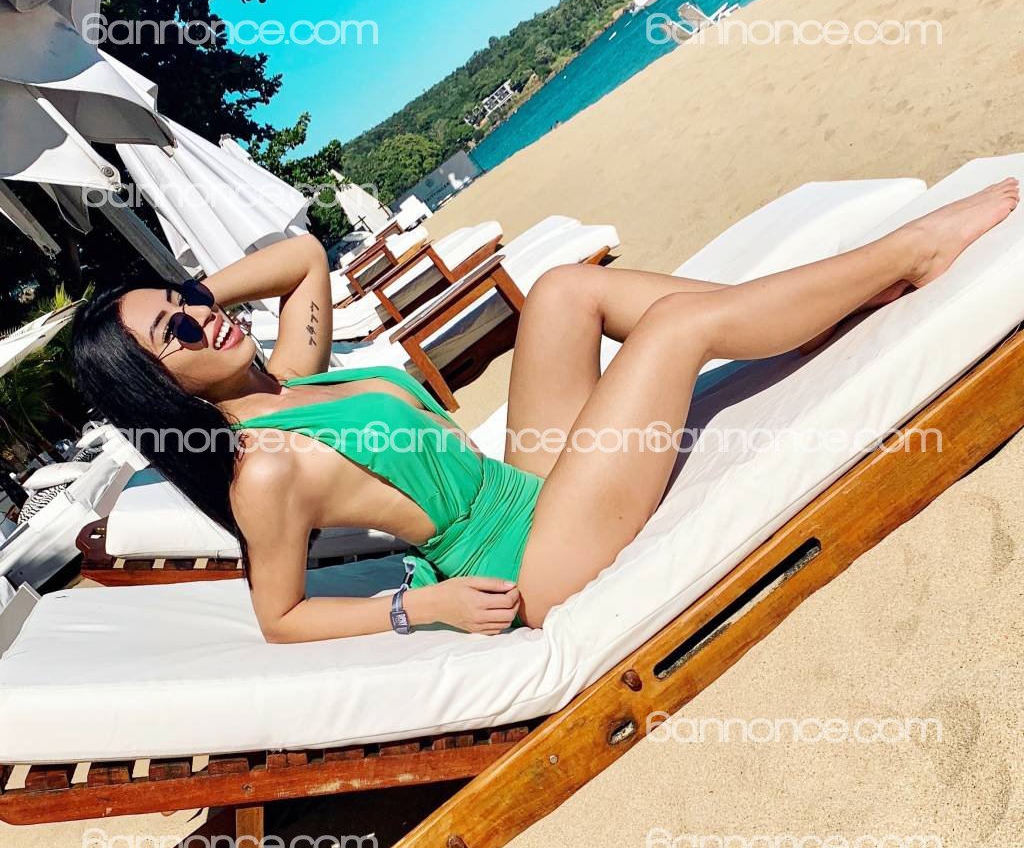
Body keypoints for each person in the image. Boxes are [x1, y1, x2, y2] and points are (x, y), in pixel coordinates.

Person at [72, 180, 1019, 642]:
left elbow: (304, 258)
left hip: (528, 487)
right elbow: (279, 616)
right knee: (673, 332)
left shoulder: (289, 375)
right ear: (157, 391)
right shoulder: (264, 467)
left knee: (565, 289)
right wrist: (420, 607)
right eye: (175, 335)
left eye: (186, 303)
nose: (200, 319)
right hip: (528, 565)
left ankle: (795, 302)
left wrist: (192, 289)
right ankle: (907, 254)